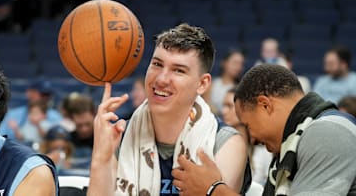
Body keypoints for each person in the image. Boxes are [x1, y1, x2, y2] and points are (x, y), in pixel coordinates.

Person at [87, 23, 249, 196]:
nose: (162, 79)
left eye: (178, 70)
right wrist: (101, 159)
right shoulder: (120, 137)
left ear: (202, 84)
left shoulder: (226, 143)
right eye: (157, 64)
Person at [172, 64, 356, 195]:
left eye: (248, 125)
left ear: (265, 105)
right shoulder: (295, 142)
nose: (253, 139)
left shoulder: (328, 131)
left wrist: (214, 190)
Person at [0, 67, 58, 196]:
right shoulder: (14, 115)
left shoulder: (32, 171)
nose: (44, 98)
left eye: (46, 95)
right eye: (41, 94)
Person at [222, 87, 272, 186]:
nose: (224, 111)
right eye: (223, 105)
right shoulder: (219, 144)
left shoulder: (263, 149)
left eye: (229, 106)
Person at [205, 50, 245, 115]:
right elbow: (206, 104)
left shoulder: (241, 90)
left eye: (241, 64)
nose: (238, 67)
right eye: (235, 63)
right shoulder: (211, 84)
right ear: (224, 63)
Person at [68, 94, 95, 169]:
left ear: (94, 115)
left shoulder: (105, 138)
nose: (84, 129)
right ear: (72, 119)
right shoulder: (67, 140)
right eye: (79, 125)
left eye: (88, 124)